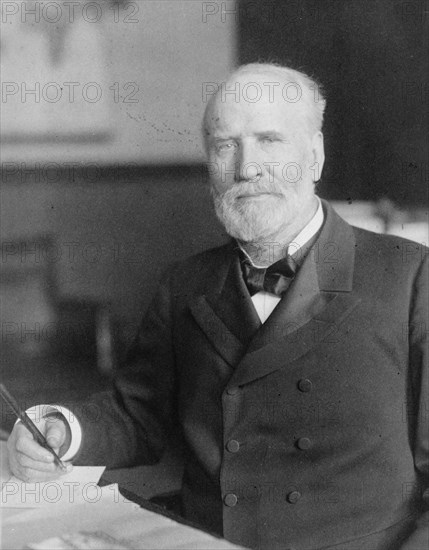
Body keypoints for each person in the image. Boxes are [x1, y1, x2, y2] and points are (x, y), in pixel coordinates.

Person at [7, 63, 428, 550]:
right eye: (225, 145)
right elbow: (137, 414)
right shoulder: (186, 283)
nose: (246, 168)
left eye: (270, 140)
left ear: (313, 157)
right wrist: (63, 429)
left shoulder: (410, 278)